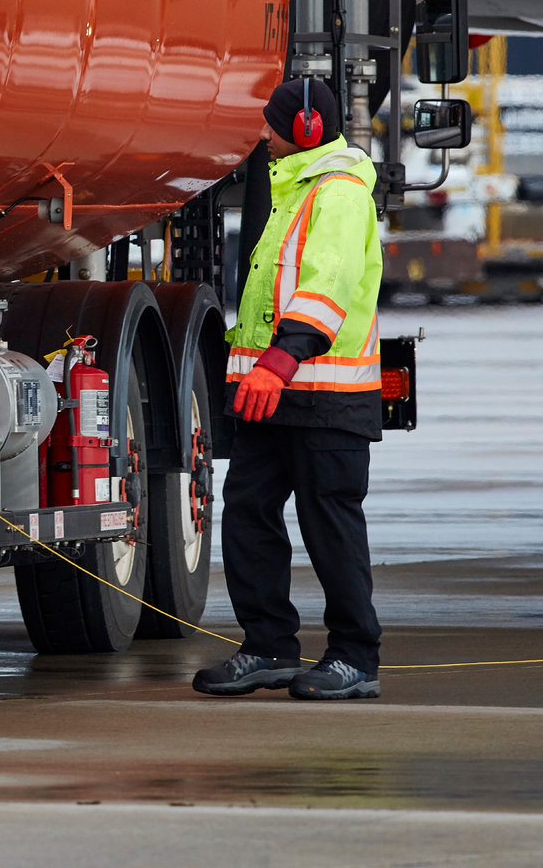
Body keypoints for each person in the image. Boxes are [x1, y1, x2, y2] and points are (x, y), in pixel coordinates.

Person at [193, 78, 385, 701]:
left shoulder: (339, 191)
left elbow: (327, 285)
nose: (263, 135)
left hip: (323, 393)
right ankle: (269, 645)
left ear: (302, 129)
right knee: (248, 512)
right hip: (271, 391)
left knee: (329, 524)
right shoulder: (289, 188)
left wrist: (279, 360)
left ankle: (355, 657)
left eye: (271, 125)